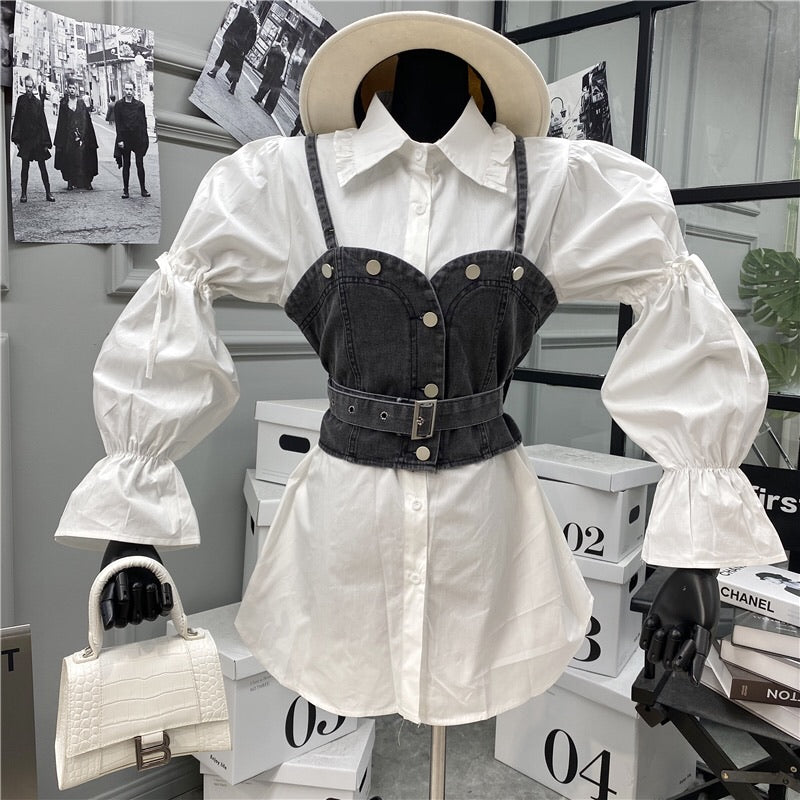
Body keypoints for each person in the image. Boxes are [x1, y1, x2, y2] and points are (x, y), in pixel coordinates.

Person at [57, 12, 785, 727]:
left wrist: (696, 548)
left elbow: (674, 306)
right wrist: (133, 513)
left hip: (486, 538)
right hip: (343, 535)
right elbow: (177, 308)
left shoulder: (557, 182)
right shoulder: (285, 178)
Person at [11, 75, 55, 203]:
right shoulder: (21, 100)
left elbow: (43, 123)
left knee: (42, 167)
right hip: (26, 140)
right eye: (26, 87)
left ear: (33, 87)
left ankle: (48, 192)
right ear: (24, 86)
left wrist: (45, 142)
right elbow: (18, 120)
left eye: (30, 87)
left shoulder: (38, 103)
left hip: (38, 140)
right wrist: (17, 140)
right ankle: (23, 193)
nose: (28, 89)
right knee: (24, 167)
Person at [53, 79, 98, 190]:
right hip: (68, 137)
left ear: (76, 90)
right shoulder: (64, 104)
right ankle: (70, 181)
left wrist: (83, 135)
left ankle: (87, 181)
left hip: (82, 136)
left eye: (74, 88)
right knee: (69, 157)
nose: (72, 90)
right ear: (67, 89)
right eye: (70, 88)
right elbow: (61, 122)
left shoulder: (81, 103)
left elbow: (86, 120)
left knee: (84, 157)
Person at [206, 0, 257, 96]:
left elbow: (252, 38)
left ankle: (233, 86)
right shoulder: (240, 9)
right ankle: (214, 71)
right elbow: (233, 23)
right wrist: (226, 36)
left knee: (238, 66)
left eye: (254, 4)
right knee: (222, 55)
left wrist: (246, 50)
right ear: (248, 2)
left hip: (241, 46)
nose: (252, 6)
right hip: (231, 40)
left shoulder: (254, 21)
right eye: (251, 2)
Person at [113, 81, 150, 198]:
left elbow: (143, 123)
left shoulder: (140, 105)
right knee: (126, 164)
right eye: (127, 89)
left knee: (140, 163)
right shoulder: (119, 105)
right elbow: (118, 123)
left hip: (137, 138)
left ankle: (143, 189)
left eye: (131, 89)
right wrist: (120, 139)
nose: (129, 92)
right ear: (124, 90)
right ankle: (126, 190)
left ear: (133, 90)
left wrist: (144, 139)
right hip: (125, 138)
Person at [251, 32, 290, 114]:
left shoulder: (287, 53)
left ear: (288, 42)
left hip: (278, 73)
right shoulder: (276, 44)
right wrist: (265, 63)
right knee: (264, 84)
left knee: (274, 91)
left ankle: (268, 109)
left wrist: (283, 75)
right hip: (270, 69)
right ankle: (258, 98)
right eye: (283, 39)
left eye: (285, 40)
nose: (283, 41)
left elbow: (286, 65)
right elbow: (269, 54)